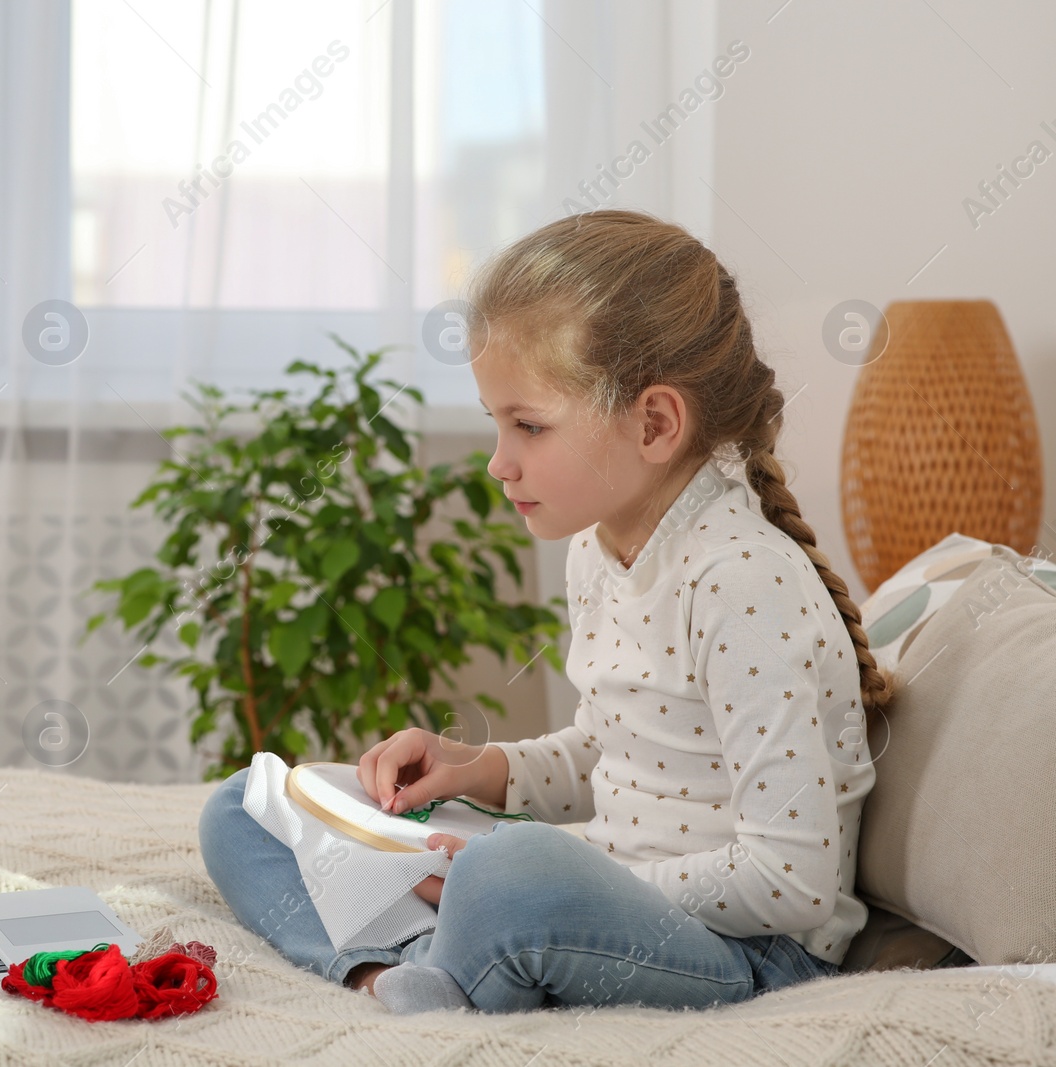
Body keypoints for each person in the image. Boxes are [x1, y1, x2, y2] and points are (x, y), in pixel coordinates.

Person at [198, 209, 900, 1015]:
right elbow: (613, 751)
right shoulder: (600, 548)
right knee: (249, 807)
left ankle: (438, 946)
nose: (500, 462)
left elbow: (791, 884)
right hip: (598, 890)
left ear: (655, 423)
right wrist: (478, 770)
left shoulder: (741, 580)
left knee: (511, 876)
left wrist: (556, 866)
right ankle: (395, 971)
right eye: (500, 425)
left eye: (528, 425)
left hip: (746, 952)